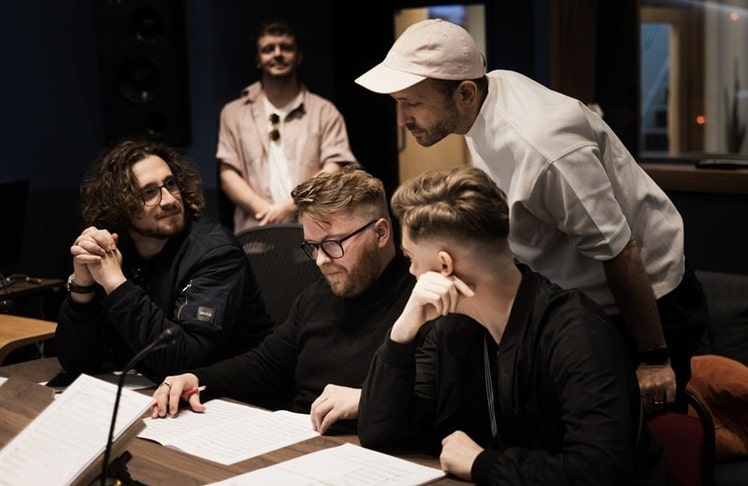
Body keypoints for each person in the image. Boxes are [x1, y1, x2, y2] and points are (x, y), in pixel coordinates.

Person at [355, 18, 707, 414]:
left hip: (647, 302)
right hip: (576, 297)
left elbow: (621, 251)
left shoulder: (545, 149)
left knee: (625, 429)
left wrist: (654, 357)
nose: (402, 118)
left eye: (413, 103)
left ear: (465, 92)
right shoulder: (486, 96)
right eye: (398, 102)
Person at [358, 166, 667, 485]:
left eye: (411, 259)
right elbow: (380, 434)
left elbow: (598, 472)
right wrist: (402, 332)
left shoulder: (577, 334)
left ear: (445, 265)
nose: (411, 272)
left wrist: (482, 464)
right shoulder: (450, 329)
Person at [151, 168, 415, 434]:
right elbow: (265, 365)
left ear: (381, 233)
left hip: (372, 446)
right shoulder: (317, 296)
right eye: (313, 247)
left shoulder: (420, 303)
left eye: (333, 244)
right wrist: (197, 378)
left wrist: (368, 399)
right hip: (302, 437)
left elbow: (432, 404)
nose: (321, 261)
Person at [55, 139, 274, 380]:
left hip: (226, 395)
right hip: (146, 389)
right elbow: (77, 362)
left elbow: (184, 361)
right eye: (149, 192)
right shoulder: (116, 248)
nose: (169, 200)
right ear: (120, 205)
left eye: (171, 184)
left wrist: (117, 285)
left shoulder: (216, 253)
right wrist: (82, 287)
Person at [217, 17, 358, 233]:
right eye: (268, 49)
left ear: (299, 56)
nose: (278, 54)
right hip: (255, 232)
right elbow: (228, 173)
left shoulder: (324, 111)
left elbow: (334, 168)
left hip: (314, 231)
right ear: (258, 59)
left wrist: (292, 206)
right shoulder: (233, 113)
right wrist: (266, 211)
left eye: (286, 47)